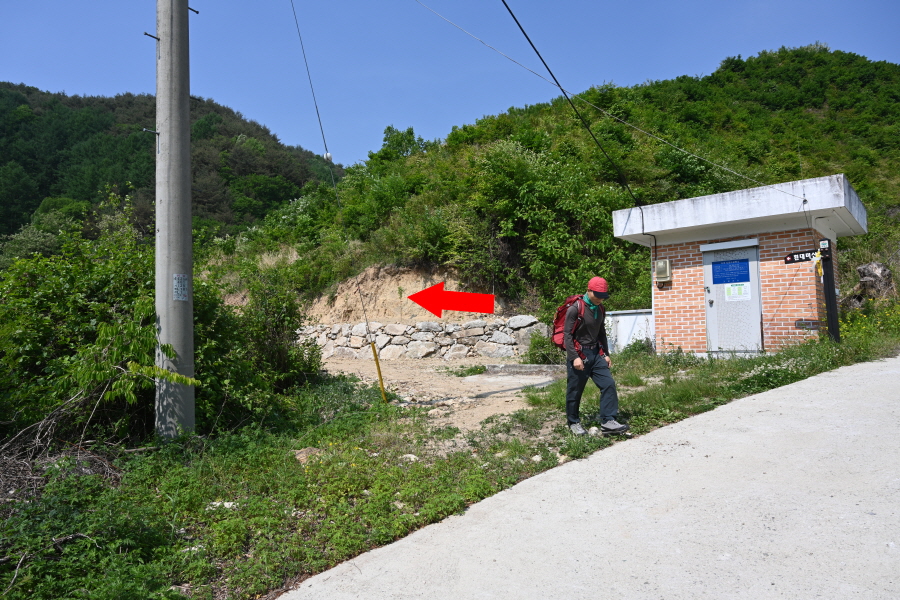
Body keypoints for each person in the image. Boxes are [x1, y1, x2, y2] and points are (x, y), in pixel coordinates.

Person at [563, 276, 628, 436]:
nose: (600, 299)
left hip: (596, 353)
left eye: (603, 296)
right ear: (589, 290)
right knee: (575, 390)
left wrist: (605, 354)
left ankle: (608, 421)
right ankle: (573, 422)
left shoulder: (600, 309)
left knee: (608, 384)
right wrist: (574, 357)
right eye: (597, 295)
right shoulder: (575, 309)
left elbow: (601, 333)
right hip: (579, 354)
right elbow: (567, 335)